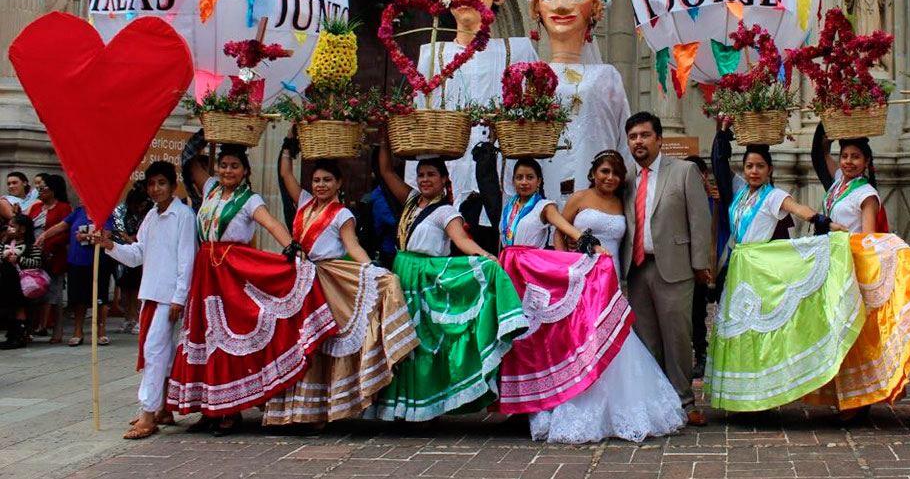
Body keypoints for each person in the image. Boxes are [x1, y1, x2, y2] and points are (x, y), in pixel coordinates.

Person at [495, 150, 685, 442]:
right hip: (578, 275)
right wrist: (564, 263)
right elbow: (561, 230)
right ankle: (570, 396)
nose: (609, 178)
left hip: (609, 274)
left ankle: (621, 406)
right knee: (581, 337)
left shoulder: (624, 202)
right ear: (593, 173)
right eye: (604, 171)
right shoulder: (579, 199)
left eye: (615, 173)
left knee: (613, 336)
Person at [171, 144, 337, 436]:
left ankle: (229, 411)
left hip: (233, 272)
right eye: (223, 165)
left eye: (234, 166)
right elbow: (189, 162)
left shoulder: (250, 200)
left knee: (229, 340)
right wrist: (205, 129)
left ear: (245, 171)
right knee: (204, 337)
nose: (227, 171)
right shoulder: (209, 188)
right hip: (205, 273)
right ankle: (209, 408)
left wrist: (291, 247)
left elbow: (271, 223)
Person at [704, 133, 863, 413]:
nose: (754, 171)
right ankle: (741, 395)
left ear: (770, 170)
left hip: (760, 270)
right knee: (737, 330)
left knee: (758, 329)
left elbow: (798, 209)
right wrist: (722, 134)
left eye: (760, 167)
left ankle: (762, 395)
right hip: (740, 265)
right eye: (750, 166)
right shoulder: (741, 194)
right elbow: (719, 164)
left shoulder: (773, 196)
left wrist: (822, 220)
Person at [263, 140, 417, 427]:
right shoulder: (305, 204)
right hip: (300, 279)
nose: (321, 185)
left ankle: (321, 411)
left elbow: (352, 245)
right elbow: (285, 176)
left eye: (327, 180)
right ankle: (298, 410)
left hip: (329, 279)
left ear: (339, 183)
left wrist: (372, 270)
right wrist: (286, 145)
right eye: (317, 180)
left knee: (321, 342)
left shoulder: (342, 214)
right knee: (300, 342)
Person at [375, 139, 527, 421]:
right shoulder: (410, 201)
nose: (425, 180)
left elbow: (460, 240)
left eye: (431, 175)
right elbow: (386, 172)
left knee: (419, 340)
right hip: (401, 275)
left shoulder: (446, 211)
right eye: (421, 175)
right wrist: (385, 134)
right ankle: (398, 407)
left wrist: (484, 255)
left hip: (425, 277)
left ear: (444, 180)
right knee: (398, 337)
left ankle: (422, 407)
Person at [802, 124, 910, 423]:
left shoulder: (866, 194)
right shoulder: (838, 184)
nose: (848, 162)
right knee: (835, 329)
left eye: (855, 157)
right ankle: (844, 394)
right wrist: (829, 118)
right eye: (845, 156)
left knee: (853, 332)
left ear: (867, 163)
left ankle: (859, 398)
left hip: (854, 265)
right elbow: (820, 152)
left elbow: (869, 236)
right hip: (834, 262)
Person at [407, 0, 538, 255]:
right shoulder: (433, 55)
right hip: (450, 182)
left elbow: (536, 114)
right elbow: (419, 125)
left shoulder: (518, 51)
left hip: (506, 182)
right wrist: (419, 194)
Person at [91, 162, 195, 440]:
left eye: (162, 183)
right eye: (152, 184)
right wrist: (109, 245)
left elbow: (187, 259)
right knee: (161, 354)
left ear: (173, 186)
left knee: (154, 353)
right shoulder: (151, 216)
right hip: (151, 292)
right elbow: (137, 254)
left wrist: (179, 297)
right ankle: (162, 408)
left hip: (169, 297)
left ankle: (148, 415)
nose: (156, 189)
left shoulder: (183, 215)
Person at [622, 112, 713, 425]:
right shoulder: (626, 179)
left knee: (677, 336)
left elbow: (700, 220)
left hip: (674, 267)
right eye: (633, 137)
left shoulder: (684, 171)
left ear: (659, 139)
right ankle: (656, 402)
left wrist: (701, 265)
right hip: (635, 269)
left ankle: (685, 402)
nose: (639, 142)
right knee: (646, 338)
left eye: (645, 135)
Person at [529, 0, 632, 202]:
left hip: (596, 191)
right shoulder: (532, 75)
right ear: (536, 8)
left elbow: (622, 140)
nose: (561, 5)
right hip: (542, 192)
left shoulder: (606, 75)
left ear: (595, 7)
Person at [684, 155, 725, 380]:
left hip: (721, 264)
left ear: (704, 175)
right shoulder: (683, 200)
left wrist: (718, 199)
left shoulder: (720, 199)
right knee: (696, 315)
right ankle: (701, 355)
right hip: (695, 268)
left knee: (726, 312)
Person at [50, 204, 115, 346]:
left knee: (101, 298)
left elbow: (106, 235)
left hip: (99, 262)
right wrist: (43, 236)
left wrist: (85, 236)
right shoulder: (78, 212)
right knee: (78, 299)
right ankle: (78, 332)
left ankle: (101, 332)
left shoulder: (105, 213)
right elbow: (60, 227)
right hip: (77, 261)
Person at [29, 174, 71, 341]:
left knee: (55, 293)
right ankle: (31, 329)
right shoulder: (35, 208)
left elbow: (65, 232)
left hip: (54, 255)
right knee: (33, 292)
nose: (40, 191)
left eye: (43, 188)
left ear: (53, 190)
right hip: (34, 256)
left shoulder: (63, 208)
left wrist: (48, 246)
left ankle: (58, 330)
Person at [112, 184, 152, 335]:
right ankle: (128, 318)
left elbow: (143, 233)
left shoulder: (150, 210)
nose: (139, 209)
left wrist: (133, 239)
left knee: (137, 288)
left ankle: (138, 318)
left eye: (142, 205)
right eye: (137, 206)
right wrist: (128, 239)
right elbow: (119, 232)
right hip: (121, 252)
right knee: (125, 287)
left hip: (140, 252)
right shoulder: (120, 211)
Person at [0, 214, 43, 349]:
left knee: (20, 307)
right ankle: (11, 335)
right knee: (9, 308)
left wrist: (19, 260)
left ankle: (20, 336)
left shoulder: (31, 246)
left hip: (21, 283)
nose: (9, 229)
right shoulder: (6, 244)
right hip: (6, 281)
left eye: (13, 226)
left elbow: (37, 262)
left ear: (23, 229)